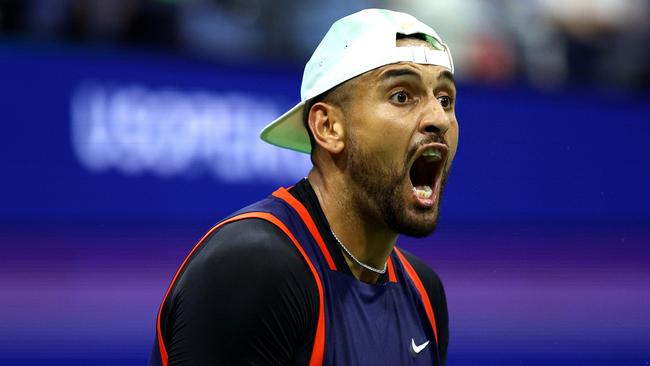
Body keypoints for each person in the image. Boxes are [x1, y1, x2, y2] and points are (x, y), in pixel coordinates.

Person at [150, 8, 458, 366]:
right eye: (402, 96)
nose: (438, 118)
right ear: (328, 127)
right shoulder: (253, 271)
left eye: (446, 99)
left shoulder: (424, 293)